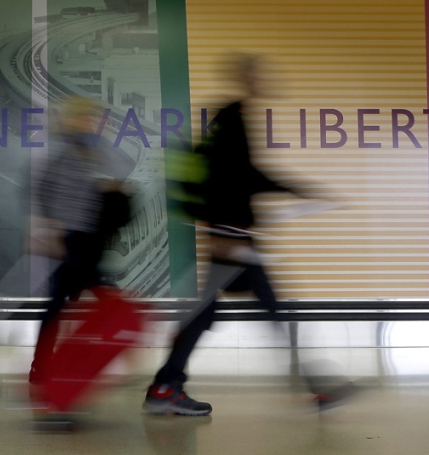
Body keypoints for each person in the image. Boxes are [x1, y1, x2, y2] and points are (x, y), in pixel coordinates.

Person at [144, 53, 350, 416]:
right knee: (268, 310)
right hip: (232, 240)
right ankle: (318, 387)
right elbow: (235, 177)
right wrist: (299, 190)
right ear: (246, 76)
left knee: (212, 315)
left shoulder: (234, 116)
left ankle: (165, 386)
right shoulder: (233, 116)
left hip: (232, 237)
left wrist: (297, 190)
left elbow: (243, 174)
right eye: (259, 72)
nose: (265, 78)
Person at [29, 96, 124, 385]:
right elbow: (45, 191)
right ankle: (51, 364)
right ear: (73, 119)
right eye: (85, 118)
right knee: (99, 300)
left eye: (93, 118)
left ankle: (44, 365)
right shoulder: (66, 153)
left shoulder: (91, 153)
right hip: (74, 240)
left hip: (88, 240)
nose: (91, 123)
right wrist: (55, 230)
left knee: (60, 303)